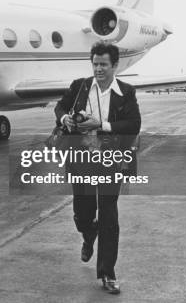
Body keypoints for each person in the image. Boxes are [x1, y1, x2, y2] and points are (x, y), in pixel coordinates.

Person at [54, 41, 141, 295]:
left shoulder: (126, 92)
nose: (98, 69)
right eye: (95, 64)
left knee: (108, 215)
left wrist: (101, 124)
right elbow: (60, 106)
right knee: (83, 212)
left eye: (103, 64)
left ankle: (107, 273)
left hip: (110, 161)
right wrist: (64, 118)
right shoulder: (80, 86)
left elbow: (133, 124)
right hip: (80, 158)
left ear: (115, 65)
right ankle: (88, 233)